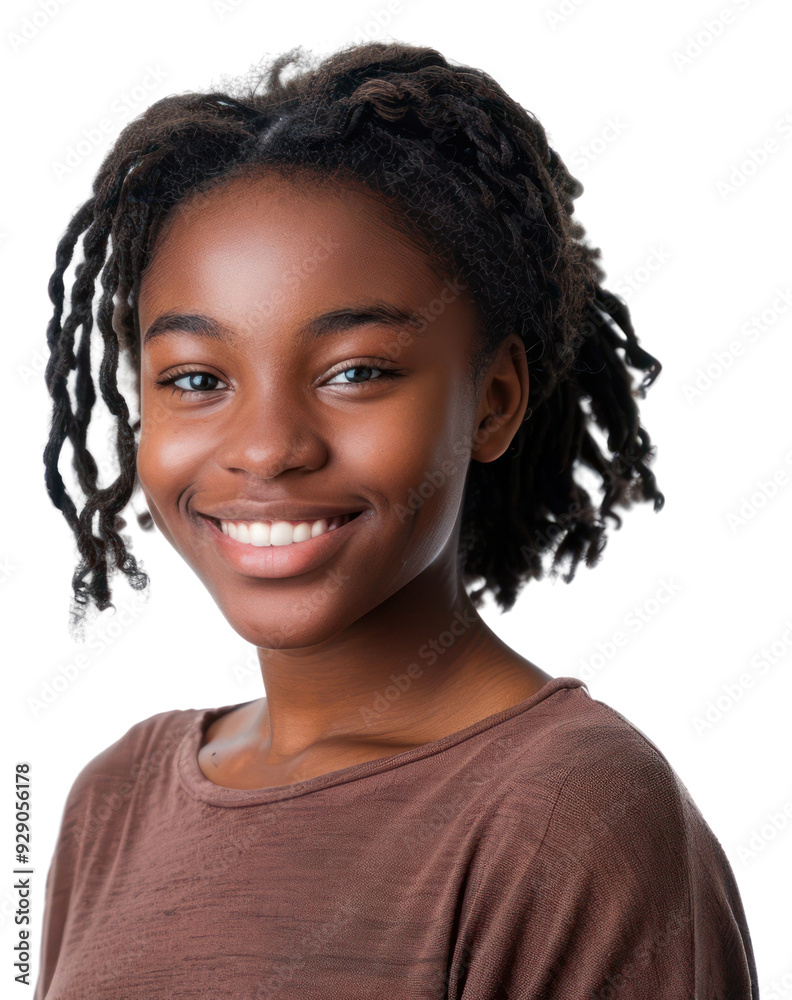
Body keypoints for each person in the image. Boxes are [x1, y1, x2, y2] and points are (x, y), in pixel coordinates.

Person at [35, 40, 758, 999]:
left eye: (356, 373)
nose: (268, 447)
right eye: (198, 380)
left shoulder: (571, 812)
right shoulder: (114, 799)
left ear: (493, 400)